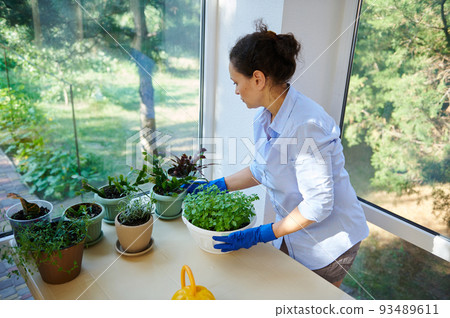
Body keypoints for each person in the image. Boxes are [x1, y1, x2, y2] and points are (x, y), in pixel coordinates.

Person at [187, 22, 369, 288]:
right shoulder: (267, 116)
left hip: (329, 244)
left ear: (258, 79)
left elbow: (318, 204)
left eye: (236, 82)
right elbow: (262, 169)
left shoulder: (307, 125)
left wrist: (262, 233)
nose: (236, 91)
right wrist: (218, 187)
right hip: (294, 234)